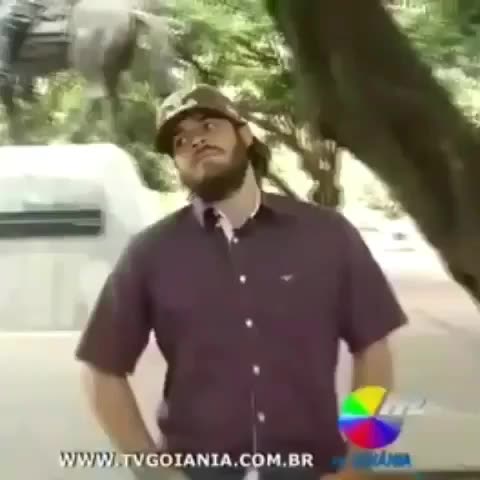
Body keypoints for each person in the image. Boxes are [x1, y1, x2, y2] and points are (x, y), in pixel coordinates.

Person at [75, 84, 408, 480]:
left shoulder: (328, 235)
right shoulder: (151, 252)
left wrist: (359, 463)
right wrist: (154, 473)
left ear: (245, 135)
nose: (195, 141)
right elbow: (101, 370)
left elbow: (373, 351)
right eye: (180, 140)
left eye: (208, 126)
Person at [0, 0, 45, 85]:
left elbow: (36, 9)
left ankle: (4, 69)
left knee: (6, 27)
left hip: (20, 19)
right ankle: (5, 69)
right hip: (15, 20)